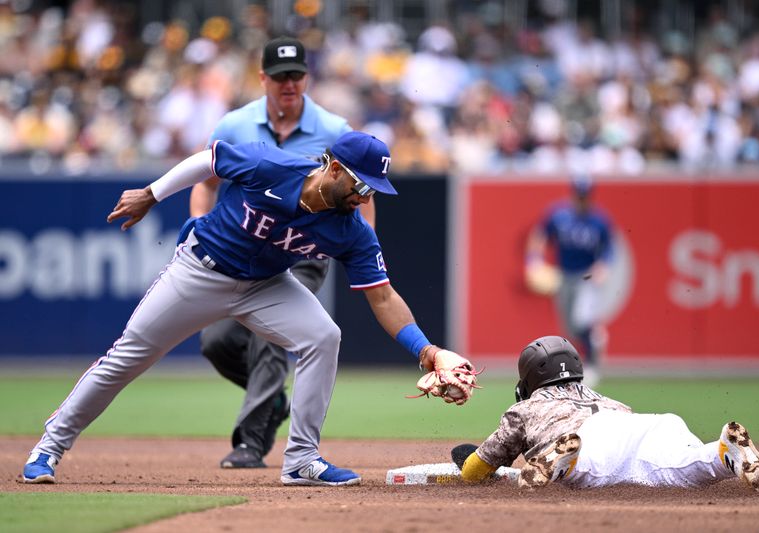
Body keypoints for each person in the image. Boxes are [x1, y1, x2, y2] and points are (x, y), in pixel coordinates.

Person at [22, 131, 477, 487]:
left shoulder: (351, 230)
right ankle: (49, 446)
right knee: (127, 357)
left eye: (375, 187)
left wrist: (429, 352)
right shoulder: (273, 165)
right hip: (202, 269)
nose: (366, 196)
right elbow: (209, 160)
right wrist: (152, 193)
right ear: (335, 168)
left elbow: (383, 297)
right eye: (361, 184)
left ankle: (301, 460)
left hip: (266, 285)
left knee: (324, 336)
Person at [188, 36, 377, 470]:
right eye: (279, 76)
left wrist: (362, 251)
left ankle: (251, 442)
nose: (288, 83)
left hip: (303, 249)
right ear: (263, 79)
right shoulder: (234, 124)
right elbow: (205, 180)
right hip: (242, 247)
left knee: (270, 335)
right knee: (216, 342)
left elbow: (363, 194)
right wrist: (198, 223)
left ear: (306, 77)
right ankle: (272, 402)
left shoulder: (334, 129)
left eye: (295, 75)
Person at [452, 336, 759, 491]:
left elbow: (473, 472)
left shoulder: (523, 409)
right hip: (649, 423)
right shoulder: (603, 396)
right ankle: (723, 452)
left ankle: (566, 460)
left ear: (530, 378)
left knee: (592, 469)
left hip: (587, 440)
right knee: (684, 468)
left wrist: (468, 459)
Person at [525, 175, 613, 386]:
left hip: (586, 276)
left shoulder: (599, 219)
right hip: (563, 275)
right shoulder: (559, 215)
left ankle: (591, 364)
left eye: (585, 196)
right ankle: (592, 341)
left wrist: (602, 266)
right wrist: (533, 260)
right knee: (569, 327)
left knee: (582, 319)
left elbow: (608, 248)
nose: (582, 199)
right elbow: (540, 235)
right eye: (579, 195)